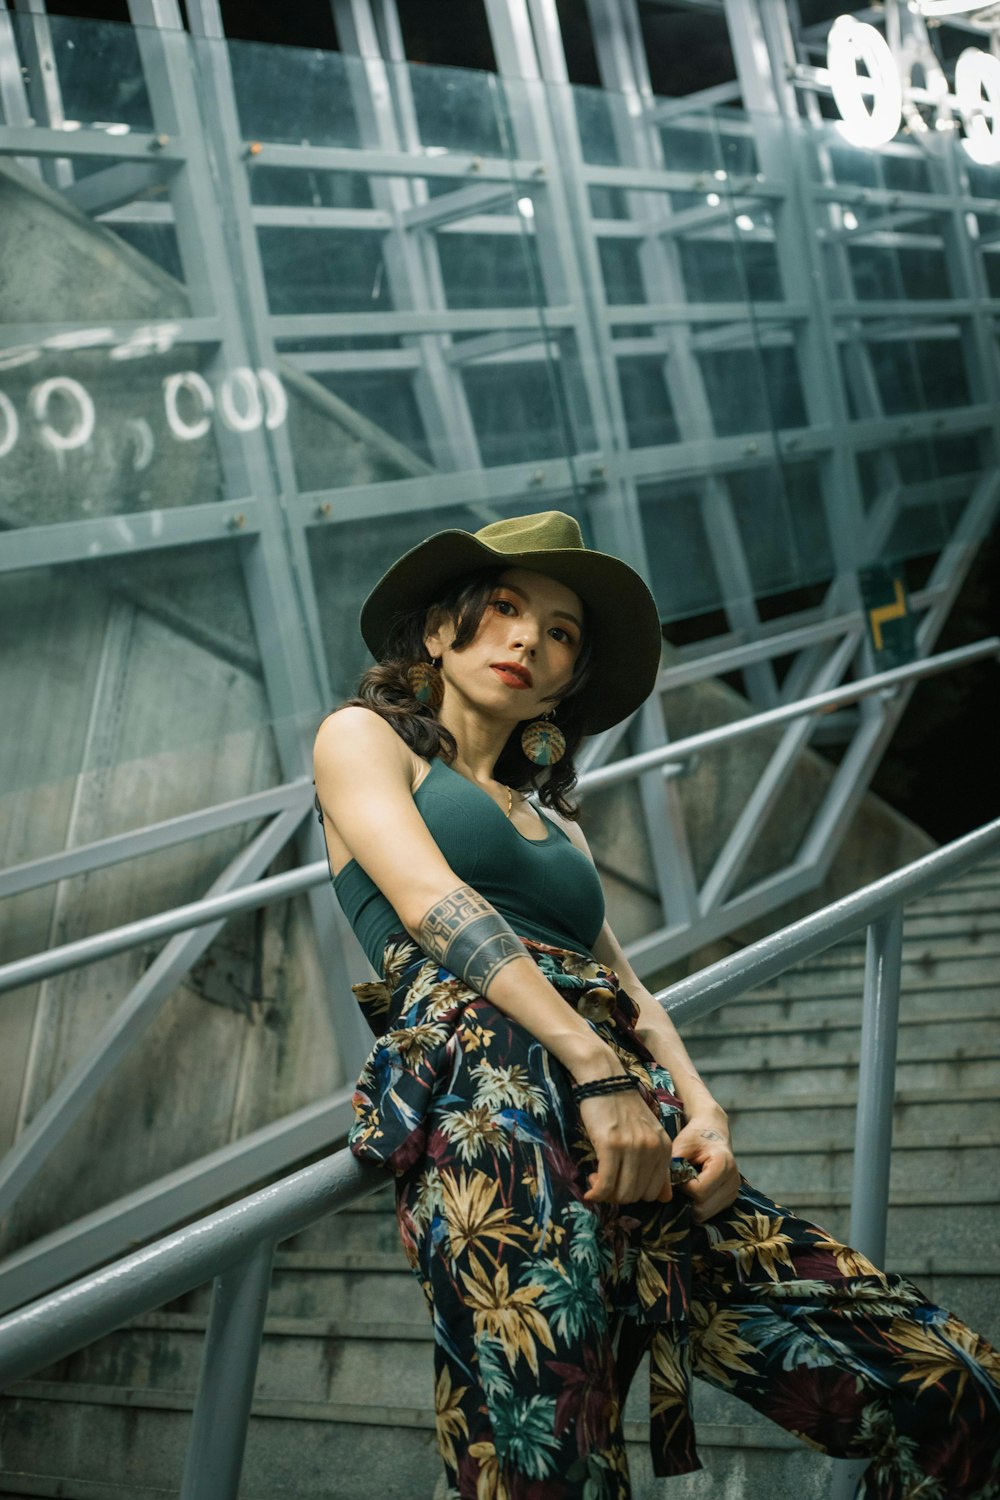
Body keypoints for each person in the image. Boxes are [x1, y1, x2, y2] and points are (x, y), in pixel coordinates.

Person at [312, 511, 999, 1500]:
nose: (526, 642)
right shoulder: (363, 738)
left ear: (566, 679)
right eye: (502, 609)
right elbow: (431, 905)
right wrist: (594, 1070)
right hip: (489, 1102)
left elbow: (630, 990)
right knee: (546, 1468)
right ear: (436, 631)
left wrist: (703, 1104)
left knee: (946, 1387)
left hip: (636, 1113)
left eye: (559, 634)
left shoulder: (557, 825)